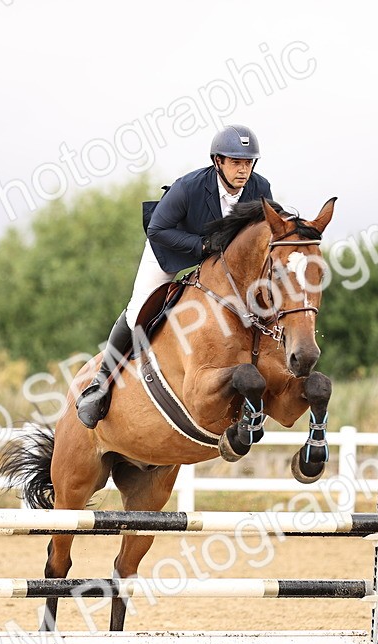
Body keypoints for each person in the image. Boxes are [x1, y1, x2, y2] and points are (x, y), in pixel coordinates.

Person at [75, 124, 274, 428]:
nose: (243, 170)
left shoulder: (260, 189)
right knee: (138, 307)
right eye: (235, 162)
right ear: (218, 161)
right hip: (173, 249)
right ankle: (100, 383)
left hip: (221, 263)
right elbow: (157, 229)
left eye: (247, 163)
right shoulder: (189, 187)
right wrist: (202, 245)